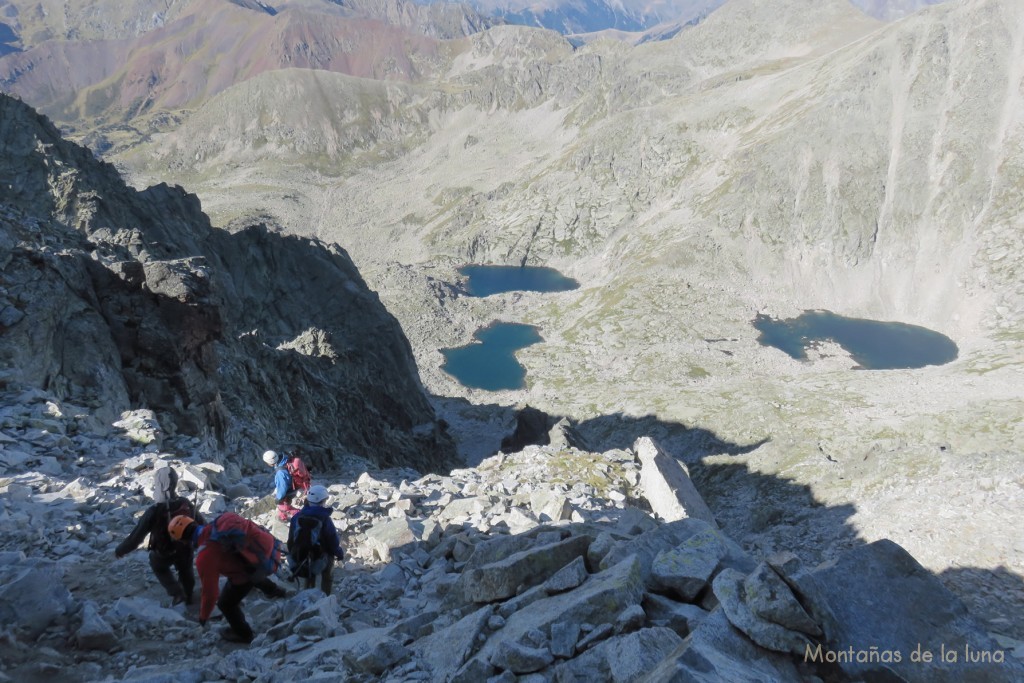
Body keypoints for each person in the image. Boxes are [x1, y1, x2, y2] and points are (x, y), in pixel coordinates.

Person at [169, 513, 287, 644]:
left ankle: (243, 634)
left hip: (246, 572)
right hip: (263, 556)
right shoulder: (221, 522)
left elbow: (210, 594)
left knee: (225, 604)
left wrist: (203, 617)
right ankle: (274, 591)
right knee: (250, 572)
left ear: (184, 541)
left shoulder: (204, 556)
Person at [115, 467, 204, 605]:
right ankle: (188, 593)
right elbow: (202, 523)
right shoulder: (185, 503)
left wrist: (120, 550)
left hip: (163, 551)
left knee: (158, 566)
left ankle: (177, 593)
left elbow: (136, 538)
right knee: (186, 568)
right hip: (185, 548)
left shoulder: (154, 511)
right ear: (174, 483)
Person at [287, 484, 345, 595]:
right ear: (322, 501)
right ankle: (325, 596)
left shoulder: (297, 517)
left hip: (301, 558)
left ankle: (307, 592)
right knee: (328, 569)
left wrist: (294, 553)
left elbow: (291, 539)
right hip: (319, 558)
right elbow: (332, 541)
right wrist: (339, 553)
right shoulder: (324, 518)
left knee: (310, 572)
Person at [263, 449, 300, 521]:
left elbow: (282, 488)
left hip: (292, 488)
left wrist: (278, 498)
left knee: (282, 506)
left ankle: (300, 514)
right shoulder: (284, 458)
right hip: (296, 484)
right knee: (283, 504)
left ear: (270, 462)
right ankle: (282, 517)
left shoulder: (280, 473)